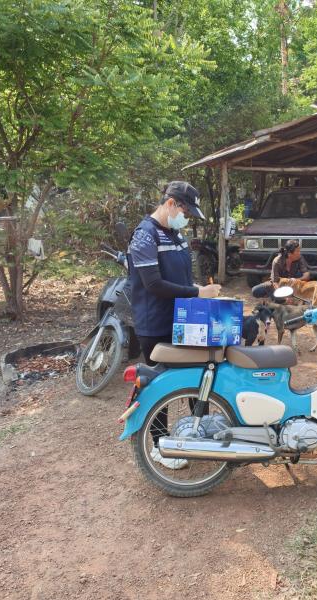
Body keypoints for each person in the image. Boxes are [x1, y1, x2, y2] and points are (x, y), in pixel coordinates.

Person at [128, 181, 221, 469]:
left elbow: (180, 277)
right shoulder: (144, 236)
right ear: (170, 204)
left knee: (198, 377)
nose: (186, 217)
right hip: (155, 323)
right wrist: (197, 293)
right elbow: (154, 284)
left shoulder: (175, 234)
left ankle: (199, 432)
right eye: (185, 211)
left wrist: (197, 290)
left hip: (183, 319)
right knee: (159, 387)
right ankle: (159, 445)